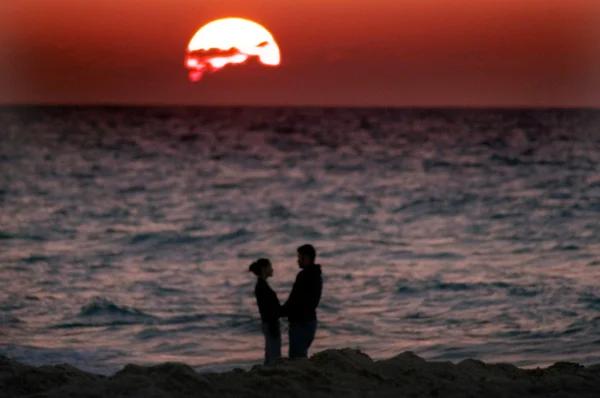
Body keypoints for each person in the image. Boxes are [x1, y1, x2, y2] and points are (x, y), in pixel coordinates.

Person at [281, 244, 323, 359]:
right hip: (310, 322)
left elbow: (294, 300)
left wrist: (280, 312)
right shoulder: (316, 275)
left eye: (299, 257)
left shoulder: (304, 275)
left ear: (306, 258)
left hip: (301, 323)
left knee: (297, 358)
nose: (297, 260)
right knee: (300, 357)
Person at [249, 258, 282, 365]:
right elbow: (269, 309)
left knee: (270, 353)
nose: (272, 269)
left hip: (268, 323)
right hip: (270, 323)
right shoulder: (262, 287)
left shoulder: (261, 285)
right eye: (270, 266)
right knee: (274, 354)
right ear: (264, 269)